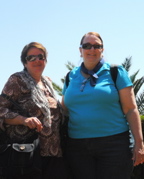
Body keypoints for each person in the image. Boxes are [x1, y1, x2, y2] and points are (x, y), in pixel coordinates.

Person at [61, 32, 144, 179]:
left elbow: (131, 109)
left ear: (102, 49)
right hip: (78, 147)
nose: (91, 50)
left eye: (96, 46)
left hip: (114, 145)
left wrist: (139, 143)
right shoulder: (70, 76)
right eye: (86, 46)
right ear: (80, 50)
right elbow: (65, 109)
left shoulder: (115, 72)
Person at [0, 42, 67, 179]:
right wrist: (24, 120)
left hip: (54, 153)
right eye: (31, 58)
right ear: (25, 62)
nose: (37, 60)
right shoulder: (17, 80)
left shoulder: (48, 83)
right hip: (28, 153)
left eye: (41, 56)